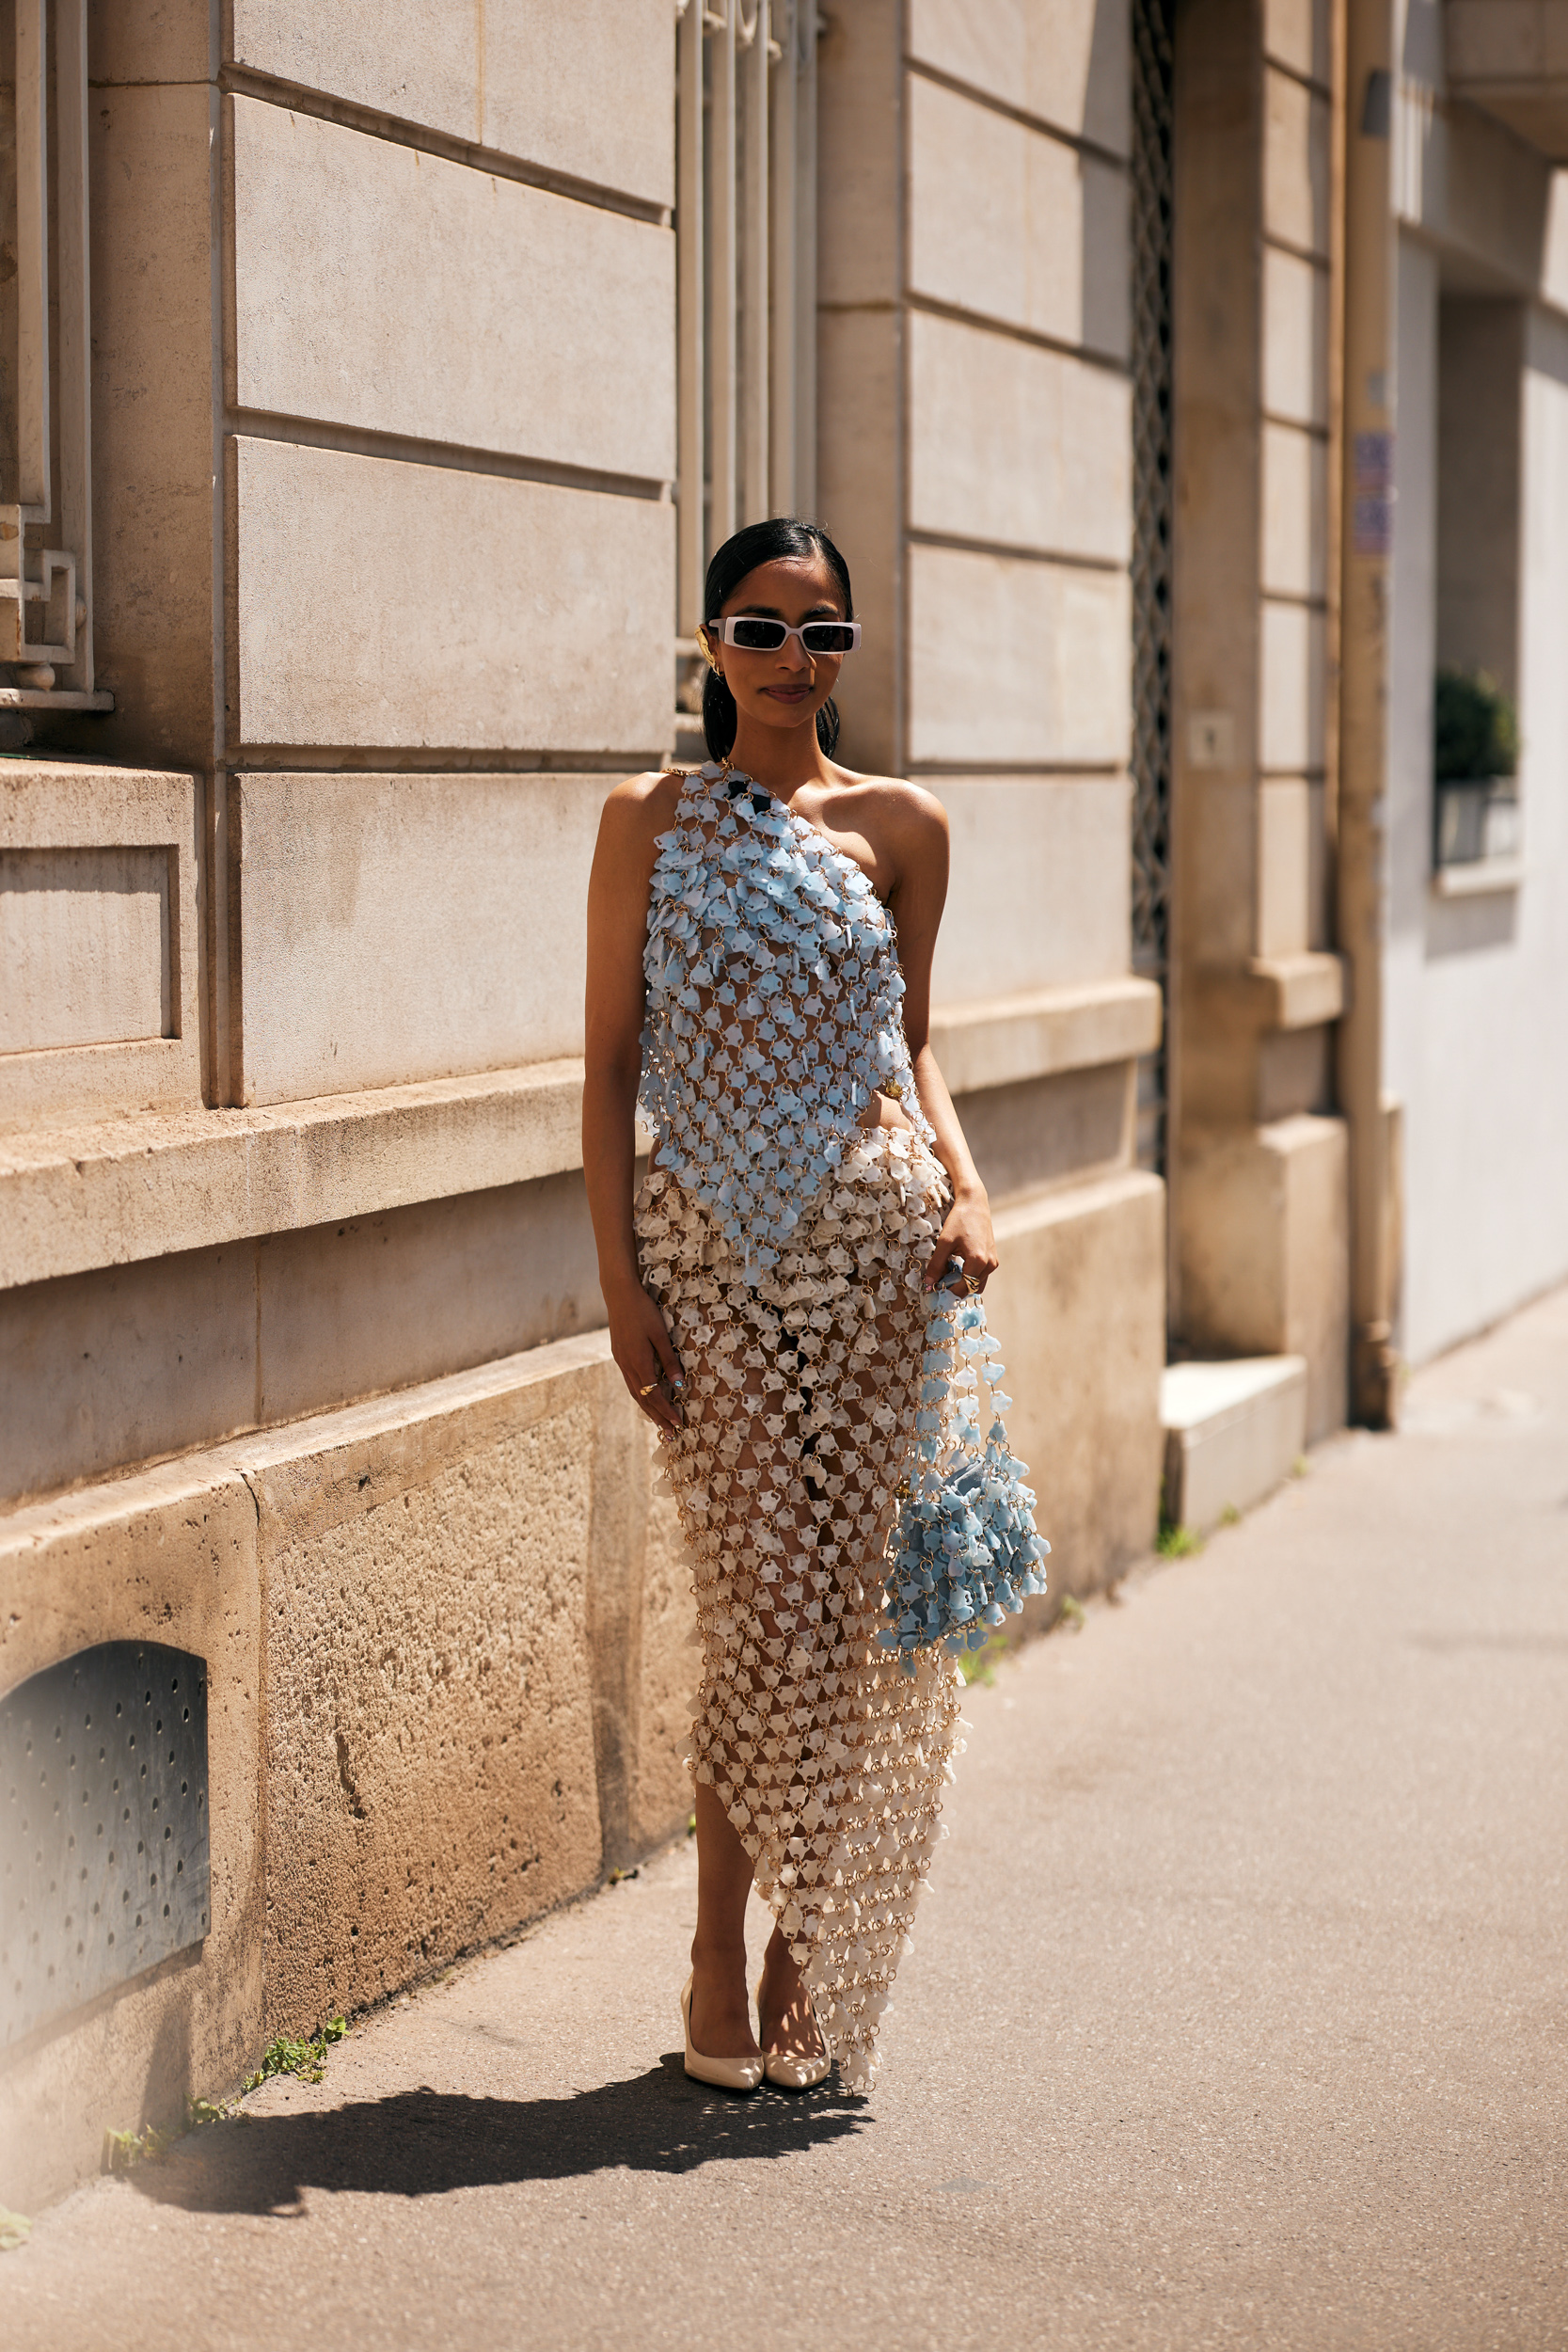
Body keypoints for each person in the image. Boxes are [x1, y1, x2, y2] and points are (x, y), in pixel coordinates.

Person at [583, 516, 999, 2094]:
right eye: (759, 630)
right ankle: (709, 1945)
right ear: (709, 646)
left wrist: (967, 1187)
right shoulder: (649, 818)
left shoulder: (904, 823)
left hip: (884, 1262)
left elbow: (915, 1045)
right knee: (758, 1607)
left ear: (847, 655)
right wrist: (621, 1279)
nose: (789, 661)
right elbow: (611, 1065)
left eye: (821, 635)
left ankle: (802, 1943)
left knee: (843, 1628)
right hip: (713, 1270)